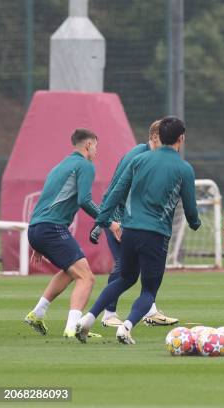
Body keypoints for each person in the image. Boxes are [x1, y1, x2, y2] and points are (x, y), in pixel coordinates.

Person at [75, 117, 200, 344]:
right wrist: (195, 223)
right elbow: (191, 210)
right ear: (181, 138)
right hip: (156, 235)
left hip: (129, 231)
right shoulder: (184, 168)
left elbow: (115, 193)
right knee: (149, 290)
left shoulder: (139, 160)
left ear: (158, 136)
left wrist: (101, 222)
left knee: (124, 278)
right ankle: (127, 326)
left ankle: (88, 318)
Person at [24, 128, 119, 338]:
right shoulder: (84, 165)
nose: (96, 151)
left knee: (71, 271)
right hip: (52, 228)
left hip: (38, 227)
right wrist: (109, 223)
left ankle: (37, 313)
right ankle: (72, 328)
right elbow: (84, 200)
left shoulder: (61, 166)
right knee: (87, 278)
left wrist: (37, 241)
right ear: (88, 145)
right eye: (96, 146)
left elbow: (45, 200)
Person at [92, 119, 179, 328]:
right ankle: (109, 314)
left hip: (135, 221)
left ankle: (150, 310)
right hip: (120, 219)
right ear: (156, 137)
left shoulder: (154, 158)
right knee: (124, 266)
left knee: (144, 266)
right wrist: (111, 222)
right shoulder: (137, 155)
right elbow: (115, 190)